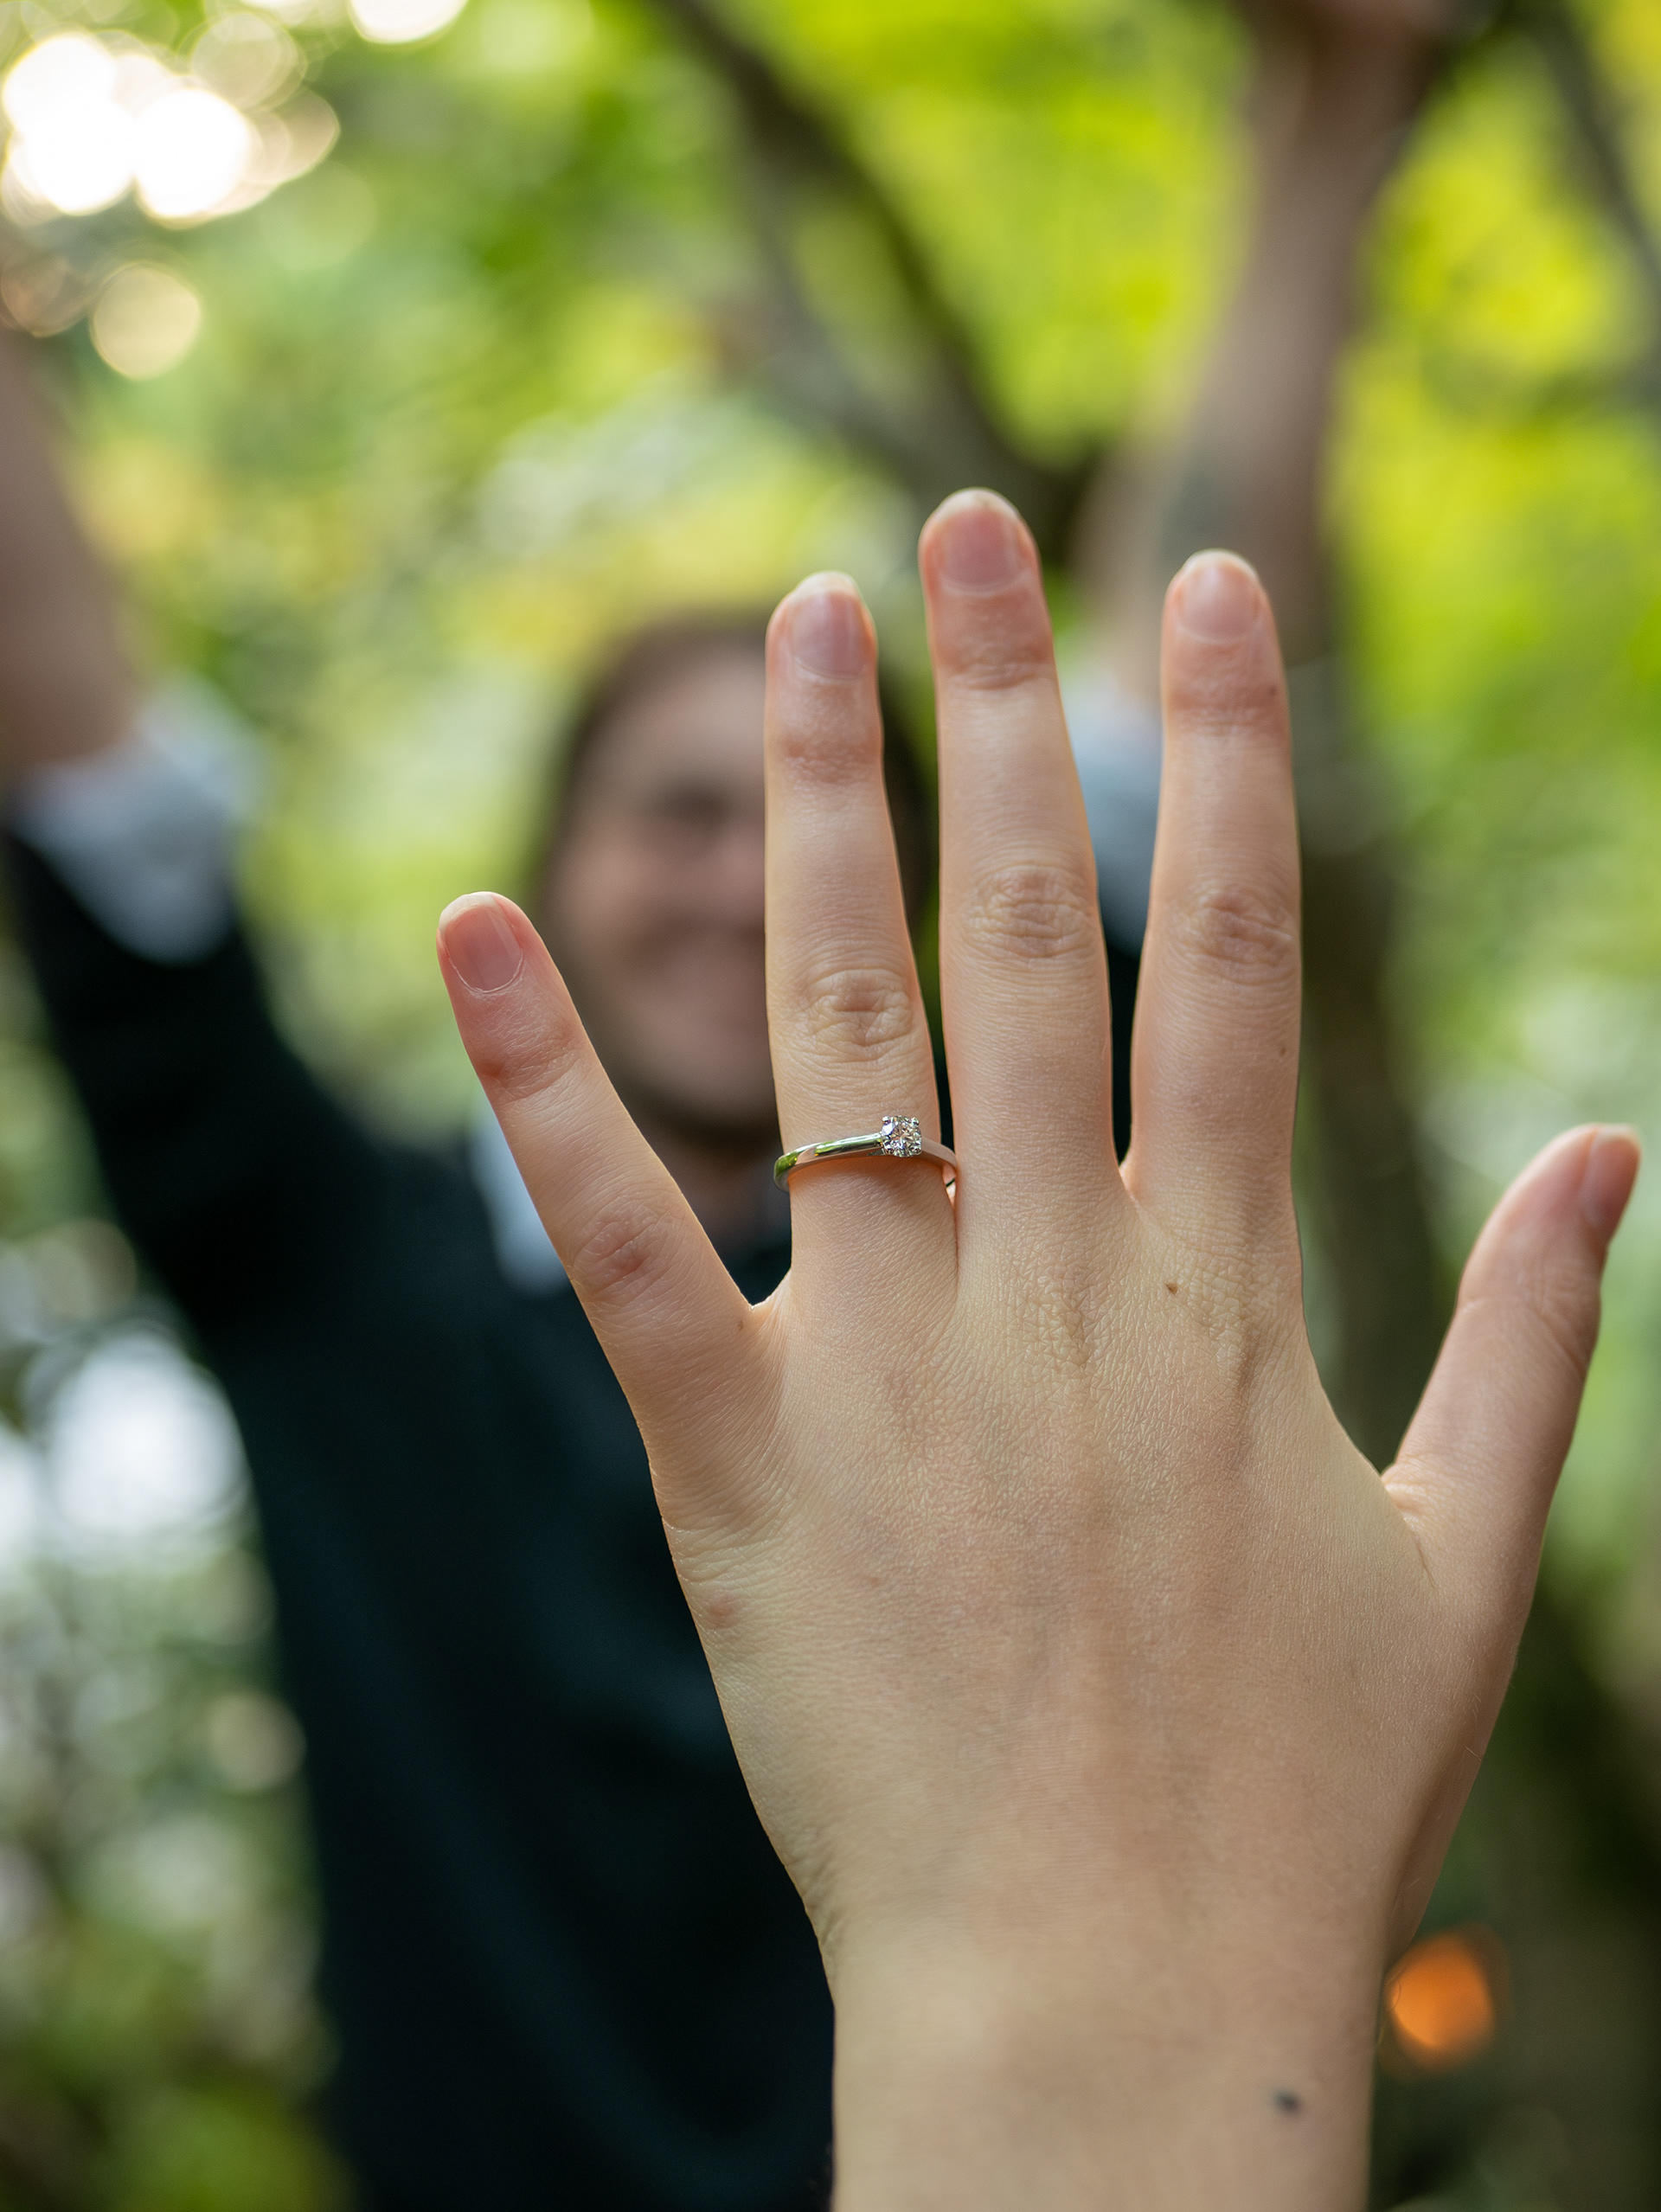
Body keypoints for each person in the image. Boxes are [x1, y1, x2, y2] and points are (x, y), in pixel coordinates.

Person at [441, 497, 1639, 2207]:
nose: (739, 885)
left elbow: (1142, 807)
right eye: (679, 812)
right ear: (557, 856)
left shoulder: (1051, 1254)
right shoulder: (336, 1262)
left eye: (779, 824)